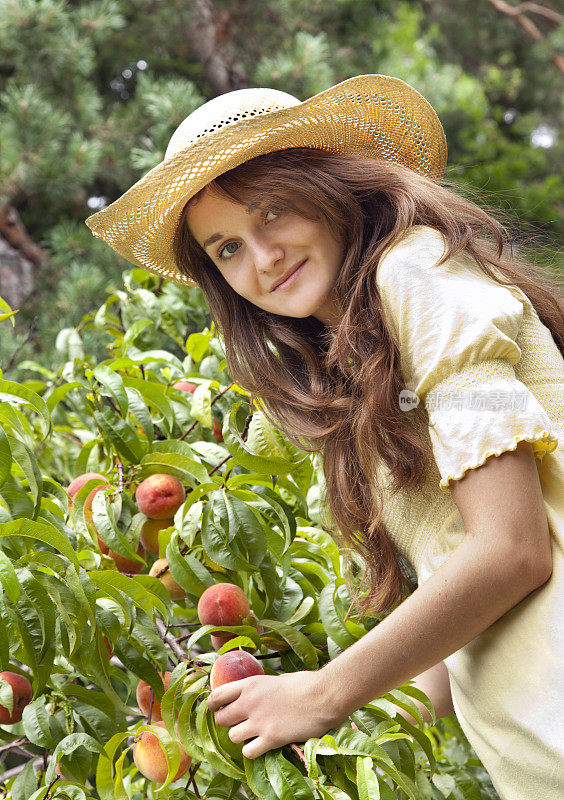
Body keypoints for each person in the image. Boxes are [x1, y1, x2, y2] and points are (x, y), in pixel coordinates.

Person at [86, 75, 564, 799]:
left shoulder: (417, 271)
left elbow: (513, 551)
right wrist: (325, 736)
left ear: (333, 185)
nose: (263, 257)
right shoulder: (361, 373)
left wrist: (323, 694)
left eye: (272, 211)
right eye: (226, 249)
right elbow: (467, 610)